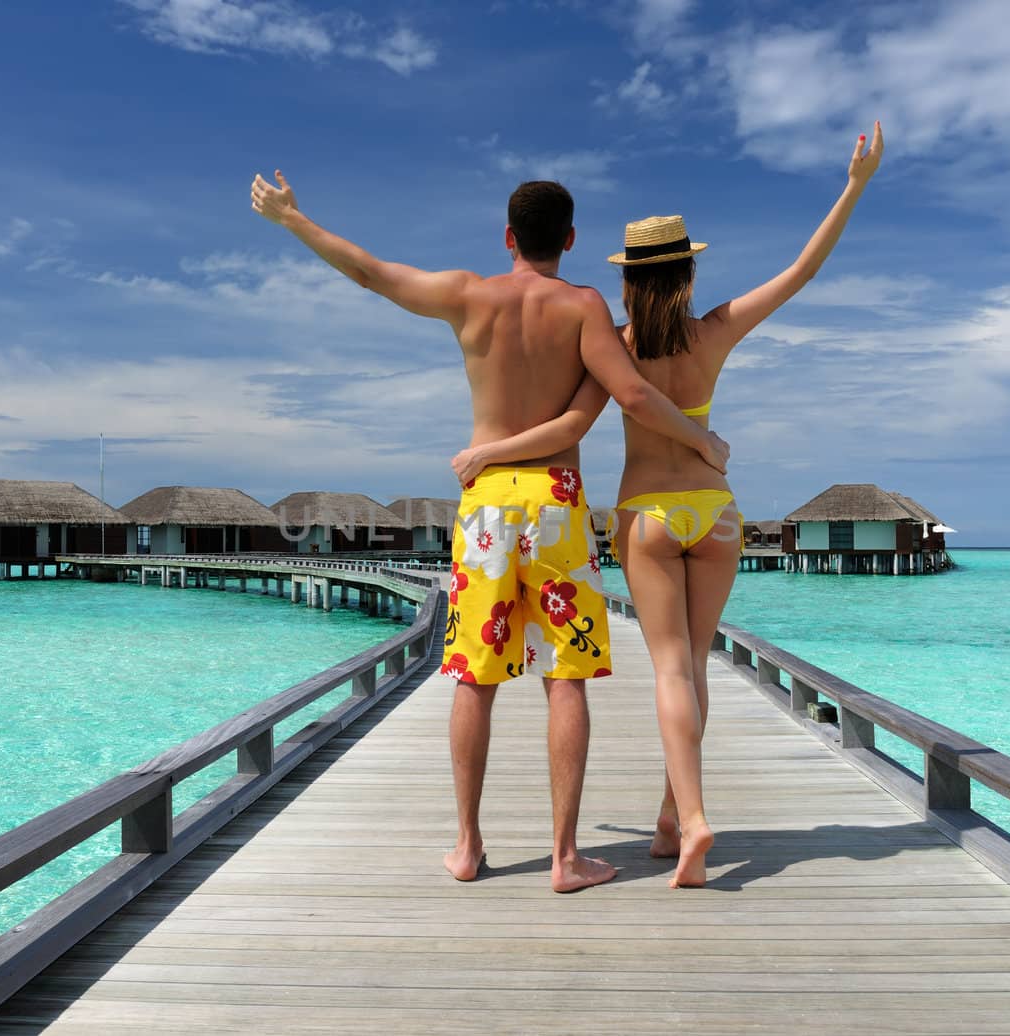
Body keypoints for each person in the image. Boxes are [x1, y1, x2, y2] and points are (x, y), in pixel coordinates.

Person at [251, 173, 730, 892]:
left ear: (509, 237)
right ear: (569, 240)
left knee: (474, 680)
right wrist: (703, 444)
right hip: (557, 500)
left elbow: (371, 272)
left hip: (485, 506)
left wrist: (293, 219)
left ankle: (468, 846)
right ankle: (565, 859)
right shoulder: (583, 307)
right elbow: (630, 394)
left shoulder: (467, 296)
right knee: (564, 678)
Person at [452, 123, 884, 887]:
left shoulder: (611, 340)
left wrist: (489, 451)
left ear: (626, 280)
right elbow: (801, 273)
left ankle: (687, 822)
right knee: (698, 664)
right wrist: (852, 187)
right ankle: (667, 817)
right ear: (686, 273)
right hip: (715, 512)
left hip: (646, 513)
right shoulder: (714, 331)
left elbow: (581, 417)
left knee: (669, 672)